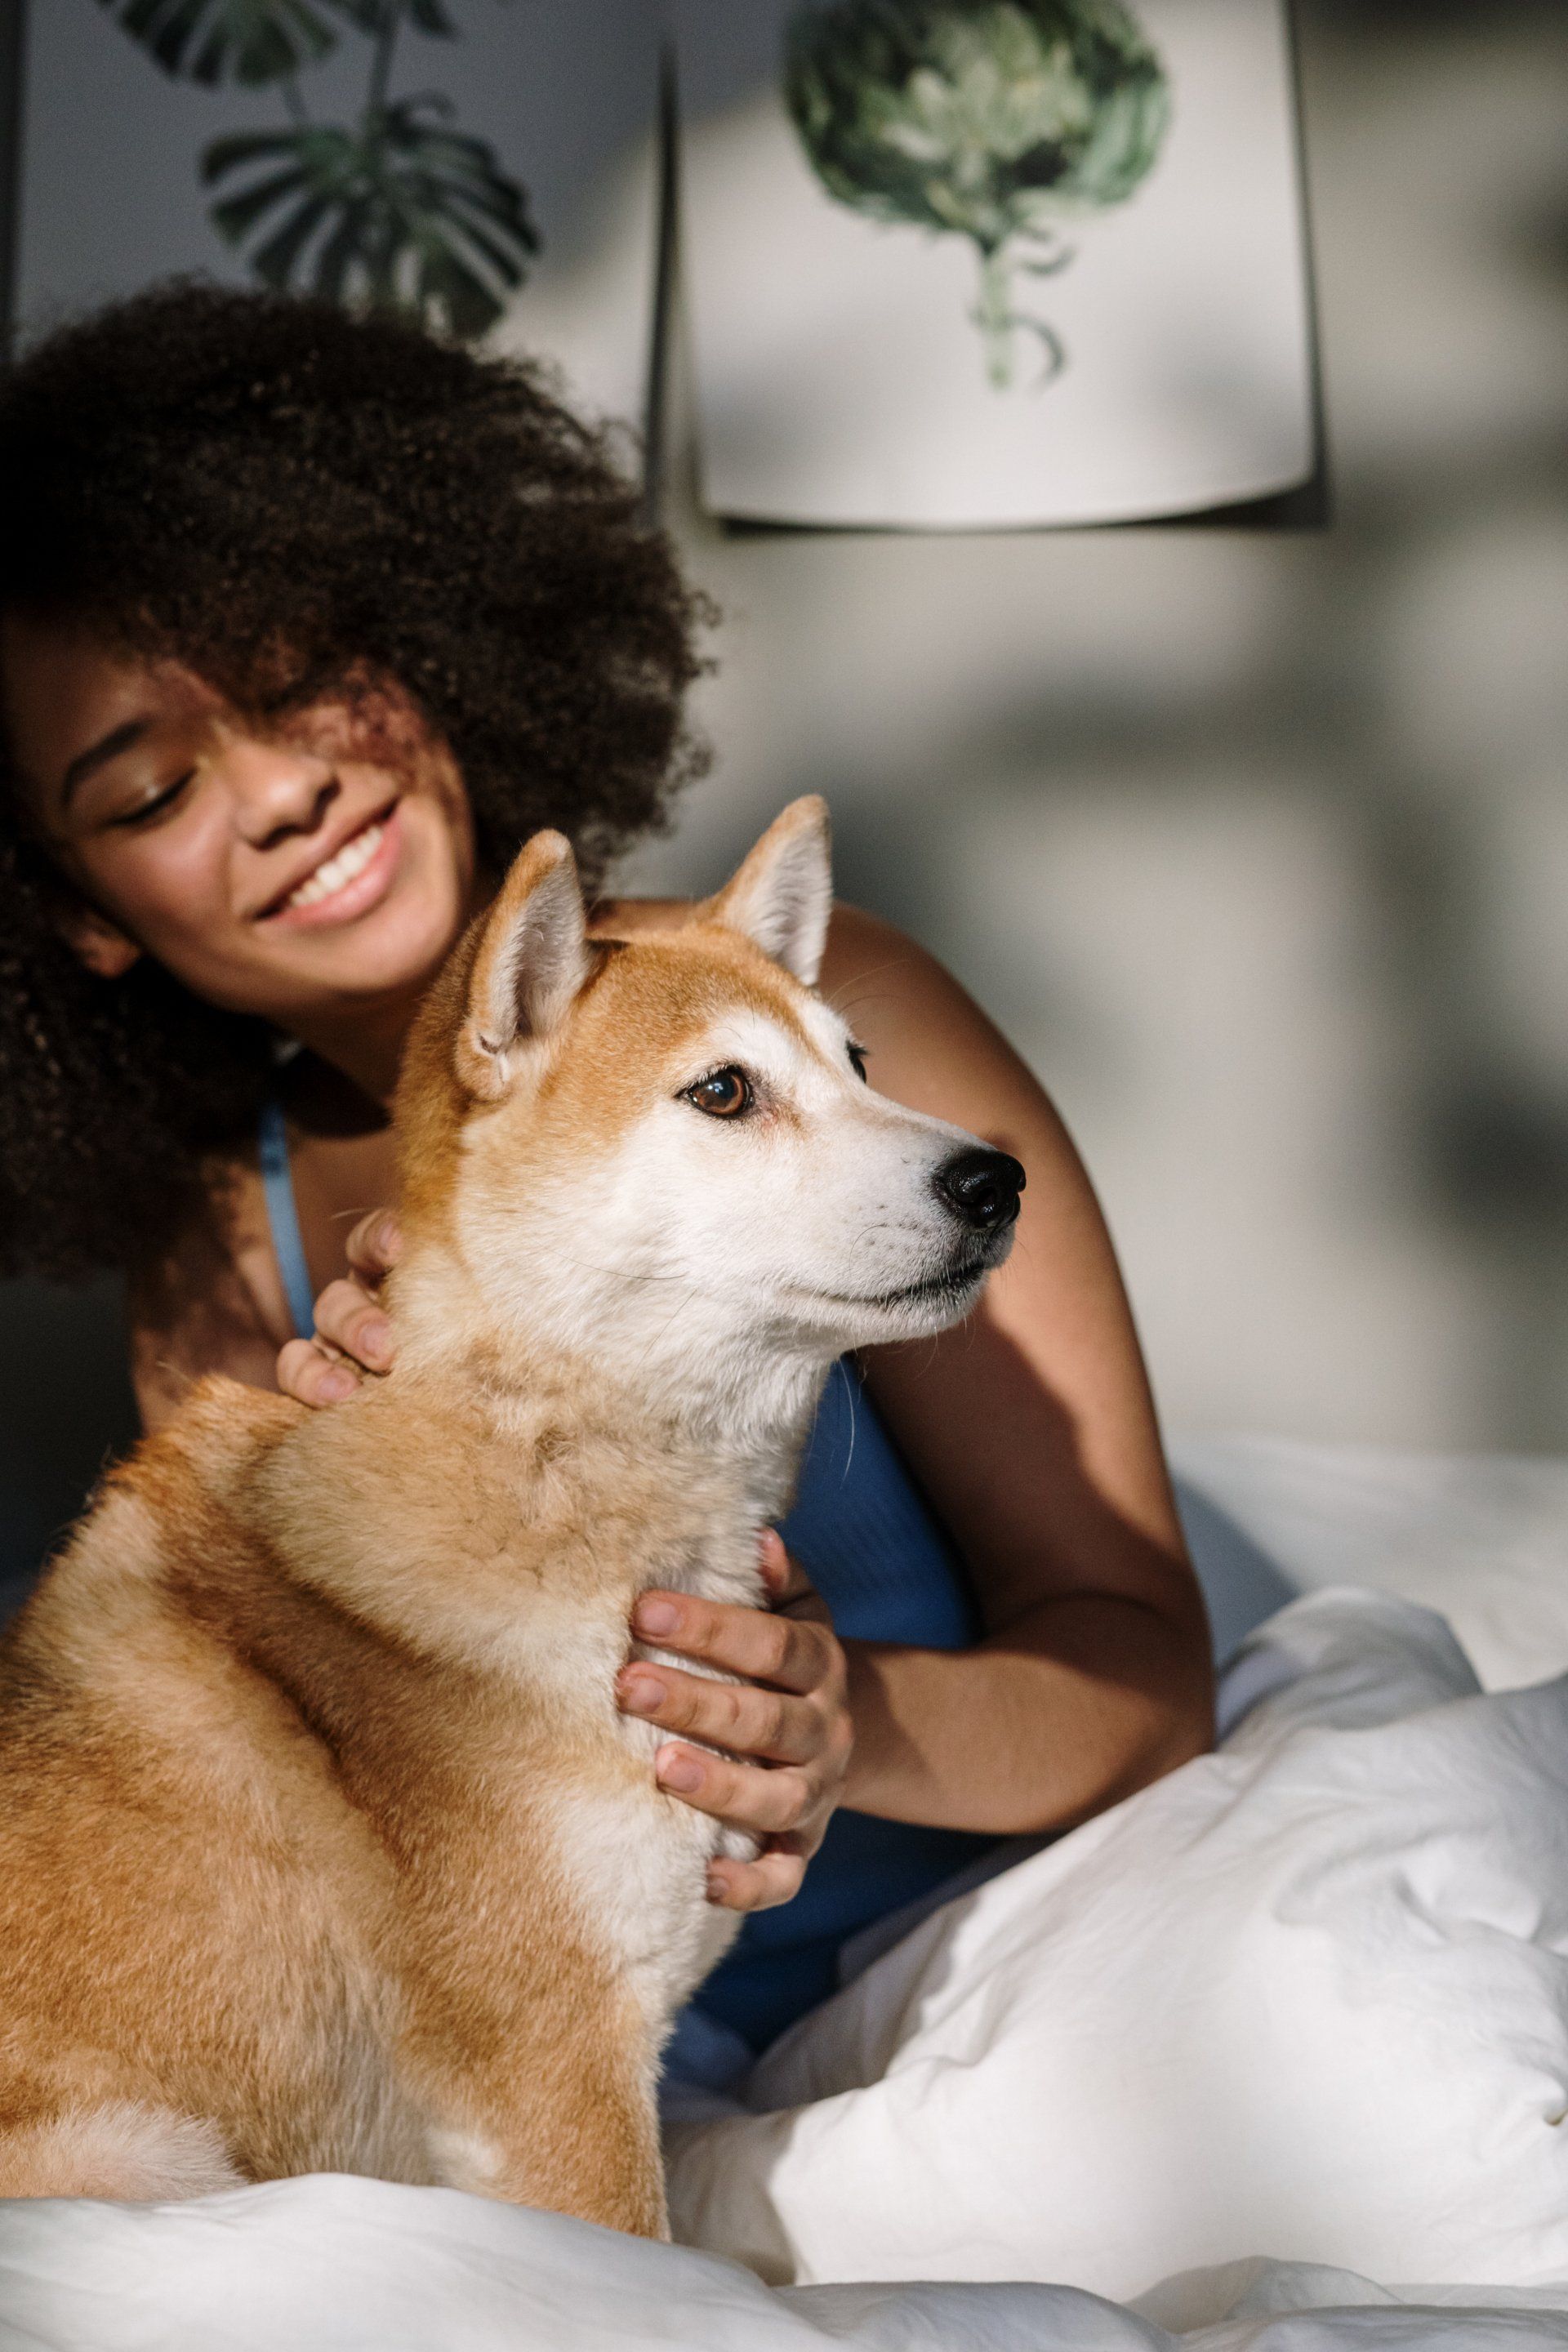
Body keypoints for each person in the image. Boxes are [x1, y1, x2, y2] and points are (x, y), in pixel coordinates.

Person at [0, 283, 1213, 2069]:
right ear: (80, 920)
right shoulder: (222, 1234)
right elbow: (336, 1822)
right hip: (584, 2042)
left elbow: (1145, 1673)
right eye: (154, 788)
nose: (281, 791)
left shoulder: (830, 1017)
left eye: (303, 677)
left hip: (991, 1973)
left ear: (429, 645)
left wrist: (839, 1723)